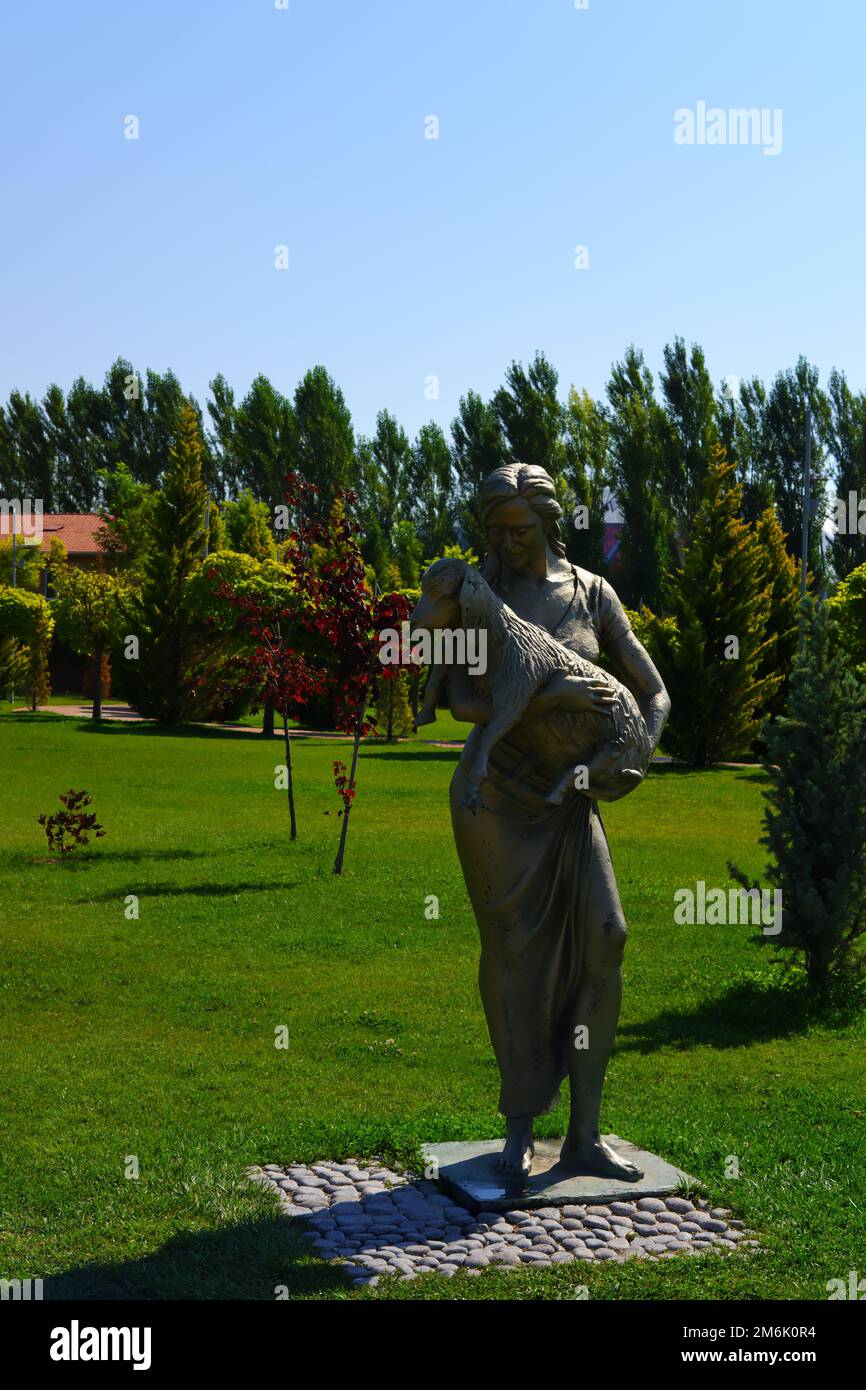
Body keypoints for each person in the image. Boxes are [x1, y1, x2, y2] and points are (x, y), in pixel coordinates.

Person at [442, 462, 670, 1178]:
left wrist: (636, 752)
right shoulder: (478, 597)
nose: (508, 543)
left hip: (572, 799)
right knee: (513, 955)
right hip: (498, 798)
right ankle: (518, 1128)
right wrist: (547, 698)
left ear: (549, 522)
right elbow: (457, 699)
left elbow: (653, 690)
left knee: (607, 936)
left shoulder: (591, 593)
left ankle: (586, 1135)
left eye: (520, 530)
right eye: (497, 532)